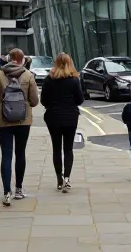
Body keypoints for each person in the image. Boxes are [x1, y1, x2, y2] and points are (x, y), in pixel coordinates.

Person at [0, 48, 40, 205]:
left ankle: (6, 192)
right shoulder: (28, 76)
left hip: (3, 121)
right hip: (23, 121)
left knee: (6, 155)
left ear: (9, 59)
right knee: (20, 153)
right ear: (22, 60)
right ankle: (19, 190)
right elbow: (35, 101)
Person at [40, 53, 84, 192]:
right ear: (69, 63)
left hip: (53, 117)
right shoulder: (74, 80)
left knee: (56, 148)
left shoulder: (49, 80)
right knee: (68, 148)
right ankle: (67, 179)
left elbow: (43, 101)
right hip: (70, 117)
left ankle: (59, 179)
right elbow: (80, 100)